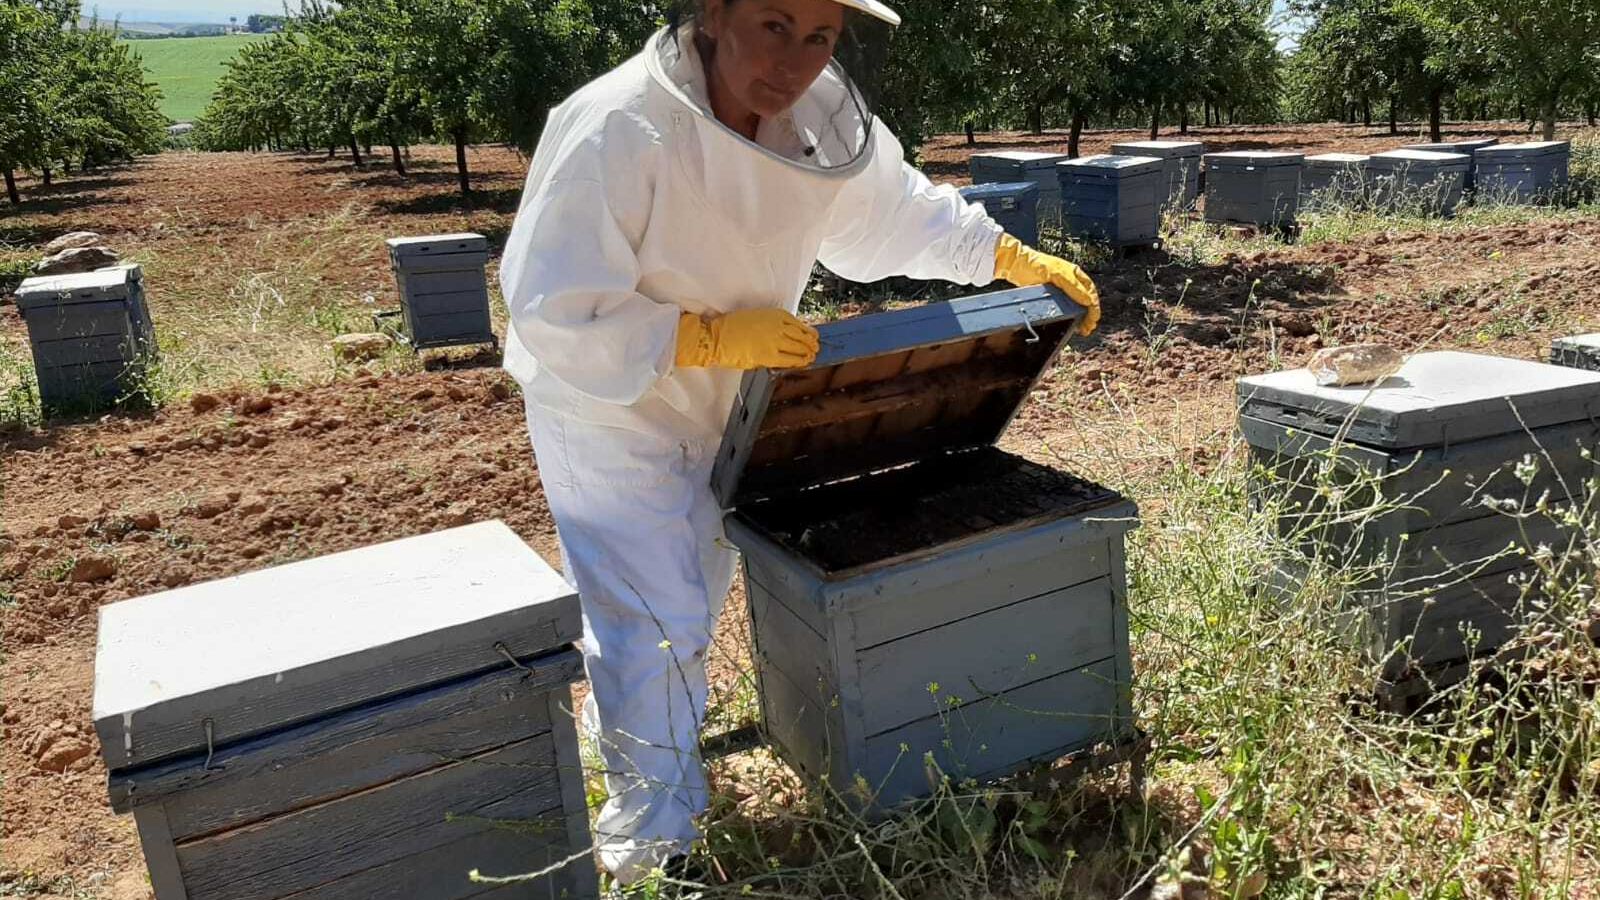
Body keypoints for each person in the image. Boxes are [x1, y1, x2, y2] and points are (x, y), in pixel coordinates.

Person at [499, 0, 1100, 884]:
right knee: (656, 618)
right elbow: (554, 309)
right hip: (611, 407)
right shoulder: (616, 125)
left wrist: (1007, 257)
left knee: (690, 590)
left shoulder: (820, 123)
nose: (794, 62)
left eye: (818, 37)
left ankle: (631, 734)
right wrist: (700, 337)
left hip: (728, 398)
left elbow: (896, 214)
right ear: (712, 14)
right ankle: (651, 842)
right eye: (773, 25)